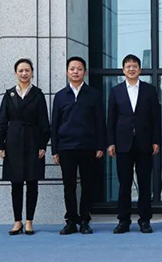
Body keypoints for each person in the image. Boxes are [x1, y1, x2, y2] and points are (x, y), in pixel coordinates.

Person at [0, 58, 50, 235]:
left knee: (32, 182)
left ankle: (29, 222)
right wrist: (1, 145)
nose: (24, 73)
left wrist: (43, 145)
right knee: (16, 183)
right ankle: (17, 221)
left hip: (33, 141)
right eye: (21, 71)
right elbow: (2, 121)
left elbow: (44, 122)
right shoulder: (9, 95)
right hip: (13, 142)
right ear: (16, 73)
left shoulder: (38, 95)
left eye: (27, 70)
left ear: (32, 72)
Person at [107, 54, 161, 234]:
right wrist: (110, 142)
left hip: (145, 143)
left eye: (134, 66)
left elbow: (155, 118)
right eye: (128, 66)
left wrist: (156, 140)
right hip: (123, 144)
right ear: (123, 70)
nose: (131, 69)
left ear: (140, 69)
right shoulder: (116, 91)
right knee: (125, 184)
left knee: (145, 183)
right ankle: (123, 220)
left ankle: (145, 220)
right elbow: (111, 119)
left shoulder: (149, 90)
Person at [51, 56, 106, 235]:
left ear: (85, 72)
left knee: (87, 185)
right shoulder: (60, 96)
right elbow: (55, 124)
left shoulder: (94, 95)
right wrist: (55, 149)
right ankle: (71, 221)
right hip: (66, 147)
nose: (76, 72)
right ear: (67, 72)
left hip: (88, 146)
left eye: (79, 69)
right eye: (72, 69)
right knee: (69, 186)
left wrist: (100, 146)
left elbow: (100, 122)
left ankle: (84, 221)